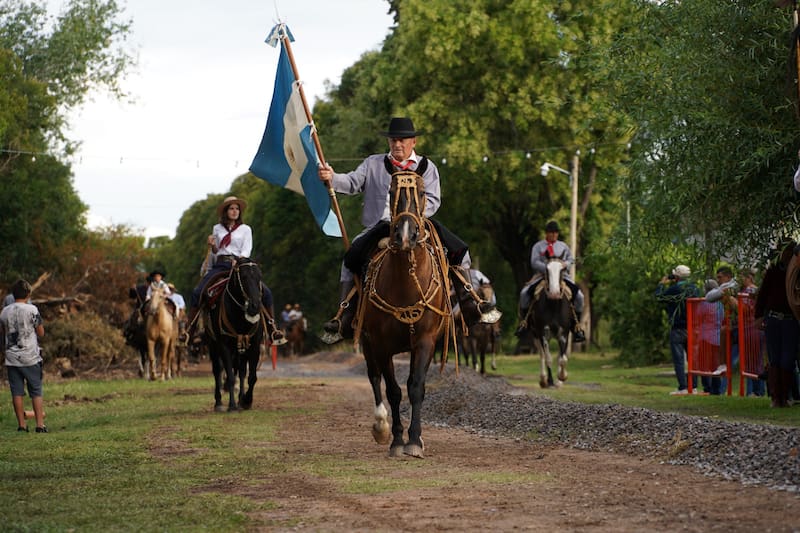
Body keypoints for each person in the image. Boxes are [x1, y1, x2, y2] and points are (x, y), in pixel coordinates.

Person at [317, 117, 496, 342]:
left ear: (413, 142)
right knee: (351, 256)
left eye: (402, 140)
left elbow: (433, 199)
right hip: (379, 225)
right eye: (393, 140)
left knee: (460, 251)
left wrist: (413, 217)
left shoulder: (427, 167)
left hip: (418, 223)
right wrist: (331, 177)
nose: (397, 145)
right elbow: (352, 183)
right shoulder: (373, 164)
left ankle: (470, 305)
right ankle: (343, 315)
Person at [186, 196, 284, 343]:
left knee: (266, 293)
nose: (234, 211)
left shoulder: (246, 229)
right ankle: (190, 331)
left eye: (237, 208)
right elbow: (216, 251)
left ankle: (272, 329)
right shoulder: (217, 228)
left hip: (240, 266)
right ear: (225, 212)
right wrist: (212, 245)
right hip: (220, 265)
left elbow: (247, 249)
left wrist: (239, 261)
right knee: (197, 292)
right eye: (231, 208)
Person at [516, 220, 586, 343]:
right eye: (551, 233)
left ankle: (577, 327)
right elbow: (534, 261)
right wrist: (548, 268)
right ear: (546, 233)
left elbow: (571, 259)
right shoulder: (538, 246)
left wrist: (563, 265)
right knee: (524, 294)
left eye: (555, 233)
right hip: (542, 276)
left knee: (579, 296)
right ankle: (524, 323)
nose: (553, 235)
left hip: (562, 276)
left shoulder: (563, 246)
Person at [754, 242, 799, 408]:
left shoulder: (796, 272)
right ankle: (776, 397)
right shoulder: (774, 271)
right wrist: (758, 316)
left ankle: (784, 396)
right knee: (775, 358)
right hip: (774, 318)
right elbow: (763, 294)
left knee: (787, 359)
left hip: (791, 319)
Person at [0, 279, 46, 433]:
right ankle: (39, 425)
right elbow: (41, 332)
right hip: (30, 357)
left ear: (13, 294)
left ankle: (21, 425)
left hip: (12, 357)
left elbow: (3, 333)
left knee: (17, 392)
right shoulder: (32, 309)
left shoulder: (4, 312)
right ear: (28, 294)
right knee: (36, 391)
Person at [656, 264, 700, 395]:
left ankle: (683, 387)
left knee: (679, 360)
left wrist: (661, 284)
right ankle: (694, 386)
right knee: (692, 359)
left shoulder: (674, 289)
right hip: (692, 327)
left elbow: (659, 297)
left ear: (676, 276)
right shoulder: (694, 289)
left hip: (677, 328)